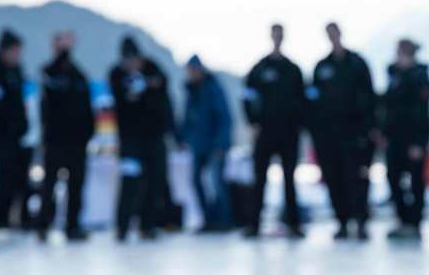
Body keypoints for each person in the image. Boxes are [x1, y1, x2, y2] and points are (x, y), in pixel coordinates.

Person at [307, 22, 376, 240]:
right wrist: (315, 131)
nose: (332, 37)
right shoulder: (321, 67)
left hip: (355, 133)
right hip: (328, 135)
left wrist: (369, 129)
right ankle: (343, 222)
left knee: (357, 179)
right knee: (334, 178)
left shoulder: (357, 63)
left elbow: (370, 98)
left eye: (334, 33)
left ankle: (361, 221)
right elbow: (312, 102)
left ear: (340, 34)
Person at [243, 24, 305, 238]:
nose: (277, 38)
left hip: (288, 132)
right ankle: (254, 224)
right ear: (271, 36)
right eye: (275, 34)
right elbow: (247, 96)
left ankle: (293, 224)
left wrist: (299, 125)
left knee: (290, 178)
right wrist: (253, 122)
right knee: (259, 178)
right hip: (265, 132)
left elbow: (303, 101)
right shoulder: (259, 69)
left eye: (280, 35)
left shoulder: (293, 70)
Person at [109, 36, 173, 241]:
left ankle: (148, 225)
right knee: (130, 182)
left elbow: (164, 94)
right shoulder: (117, 74)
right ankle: (122, 227)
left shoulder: (154, 69)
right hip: (130, 141)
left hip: (154, 139)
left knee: (153, 182)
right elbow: (118, 96)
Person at [37, 31, 95, 241]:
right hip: (54, 141)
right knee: (49, 185)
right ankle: (43, 224)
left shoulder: (80, 76)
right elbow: (46, 106)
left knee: (76, 187)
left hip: (76, 143)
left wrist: (88, 135)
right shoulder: (48, 73)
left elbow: (88, 110)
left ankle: (72, 225)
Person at [381, 39, 429, 240]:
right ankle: (402, 219)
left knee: (416, 182)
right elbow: (387, 108)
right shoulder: (394, 76)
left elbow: (422, 112)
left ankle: (414, 222)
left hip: (413, 139)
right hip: (394, 139)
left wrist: (420, 142)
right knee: (393, 178)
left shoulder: (420, 77)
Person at [0, 29, 30, 228]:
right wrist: (9, 125)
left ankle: (19, 217)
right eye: (15, 51)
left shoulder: (17, 71)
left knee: (21, 178)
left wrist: (22, 125)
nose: (18, 55)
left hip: (18, 136)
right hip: (0, 136)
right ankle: (0, 220)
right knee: (4, 177)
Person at [180, 55, 233, 232]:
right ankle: (208, 219)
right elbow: (188, 119)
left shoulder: (213, 89)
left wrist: (221, 145)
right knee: (195, 180)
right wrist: (181, 138)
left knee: (217, 182)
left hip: (214, 145)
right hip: (198, 145)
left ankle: (224, 220)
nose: (192, 74)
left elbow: (224, 118)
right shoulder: (191, 91)